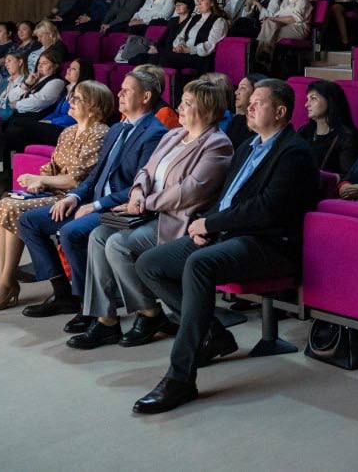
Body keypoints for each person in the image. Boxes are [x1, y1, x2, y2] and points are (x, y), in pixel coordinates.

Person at [129, 79, 317, 414]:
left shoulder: (295, 151)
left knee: (199, 265)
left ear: (281, 111)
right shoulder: (247, 145)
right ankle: (213, 333)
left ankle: (180, 378)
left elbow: (266, 208)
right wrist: (204, 223)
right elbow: (226, 197)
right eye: (251, 101)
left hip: (269, 243)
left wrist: (211, 224)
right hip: (228, 234)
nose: (249, 107)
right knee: (149, 263)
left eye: (258, 102)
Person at [69, 79, 234, 350]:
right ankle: (105, 321)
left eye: (188, 103)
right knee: (98, 235)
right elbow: (145, 170)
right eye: (181, 100)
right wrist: (137, 192)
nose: (179, 107)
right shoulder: (173, 135)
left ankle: (149, 313)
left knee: (118, 244)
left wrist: (145, 202)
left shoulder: (217, 145)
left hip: (174, 218)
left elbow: (189, 192)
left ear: (206, 110)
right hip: (144, 209)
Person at [14, 69, 168, 322]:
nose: (119, 93)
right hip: (92, 202)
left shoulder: (154, 133)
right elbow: (95, 175)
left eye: (127, 90)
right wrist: (74, 197)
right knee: (29, 221)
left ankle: (89, 304)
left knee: (72, 232)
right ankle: (63, 292)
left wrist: (96, 205)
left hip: (118, 208)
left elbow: (138, 187)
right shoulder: (117, 128)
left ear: (145, 96)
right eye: (120, 88)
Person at [0, 80, 114, 312]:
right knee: (4, 204)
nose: (70, 101)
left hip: (76, 197)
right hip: (53, 191)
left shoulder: (100, 133)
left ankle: (5, 284)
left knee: (14, 209)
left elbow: (77, 180)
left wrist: (42, 180)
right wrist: (38, 181)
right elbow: (52, 167)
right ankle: (5, 278)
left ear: (93, 106)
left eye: (77, 98)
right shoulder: (68, 131)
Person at [297, 80, 358, 177]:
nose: (306, 104)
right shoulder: (304, 131)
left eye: (313, 99)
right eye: (307, 99)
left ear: (330, 100)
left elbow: (347, 178)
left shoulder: (348, 137)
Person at [253, 0, 312, 71]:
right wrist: (269, 19)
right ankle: (263, 58)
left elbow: (294, 19)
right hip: (285, 26)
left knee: (271, 31)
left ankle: (261, 60)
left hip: (299, 28)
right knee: (268, 24)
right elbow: (278, 15)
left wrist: (273, 19)